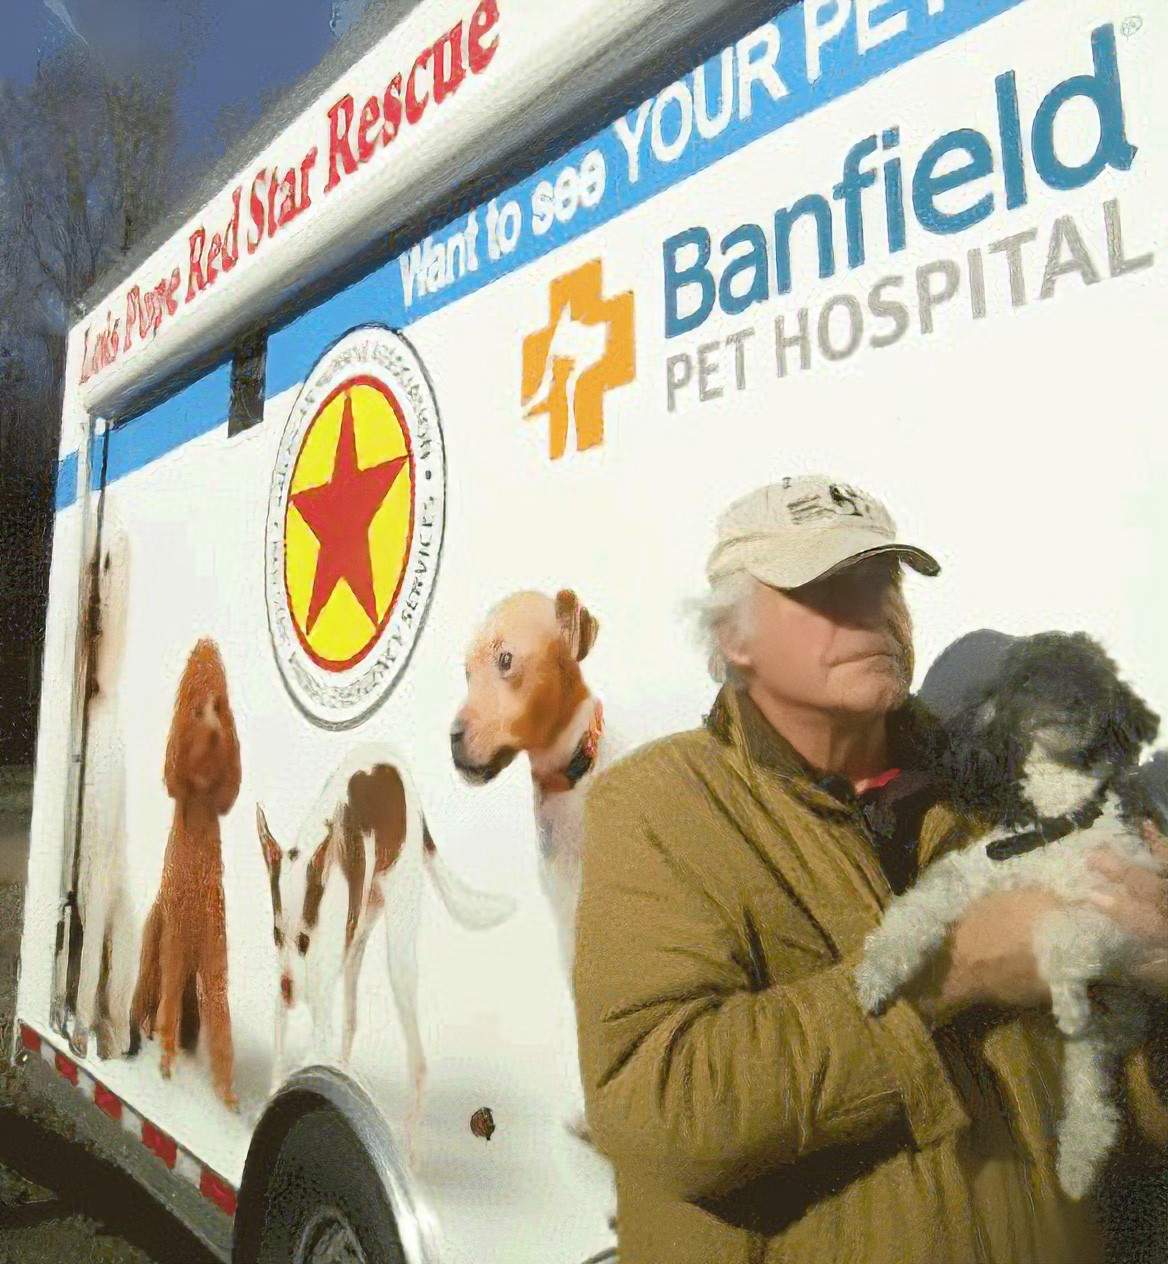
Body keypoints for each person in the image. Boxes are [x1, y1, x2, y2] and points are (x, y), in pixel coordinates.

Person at [573, 475, 1168, 1264]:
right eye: (828, 589)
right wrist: (952, 967)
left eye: (884, 582)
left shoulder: (1001, 786)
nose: (875, 612)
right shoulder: (655, 806)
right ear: (733, 641)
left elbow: (1126, 1104)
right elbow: (661, 1108)